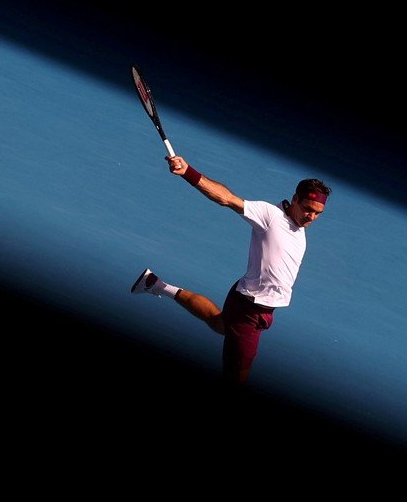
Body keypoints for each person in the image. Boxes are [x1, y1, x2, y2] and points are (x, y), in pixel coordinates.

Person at [132, 153, 330, 385]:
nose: (312, 217)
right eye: (308, 209)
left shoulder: (298, 224)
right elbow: (227, 198)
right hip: (249, 310)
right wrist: (188, 172)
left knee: (220, 323)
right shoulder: (270, 216)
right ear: (295, 199)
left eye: (318, 213)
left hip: (250, 300)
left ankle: (155, 284)